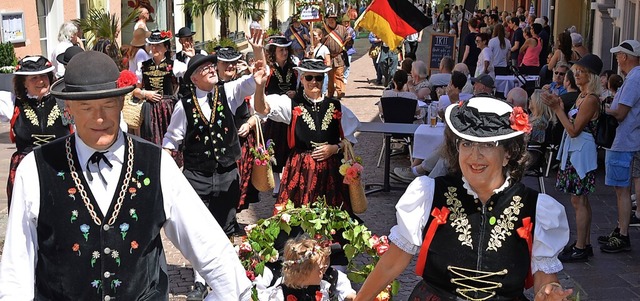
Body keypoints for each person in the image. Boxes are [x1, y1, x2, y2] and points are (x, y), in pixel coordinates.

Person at [0, 50, 252, 300]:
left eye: (108, 104)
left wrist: (238, 294)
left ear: (122, 102)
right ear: (69, 109)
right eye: (87, 107)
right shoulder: (35, 168)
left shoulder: (157, 164)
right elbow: (16, 268)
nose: (99, 118)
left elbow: (209, 246)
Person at [354, 96, 572, 301]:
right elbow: (392, 263)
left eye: (487, 145)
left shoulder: (536, 207)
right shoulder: (429, 193)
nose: (474, 156)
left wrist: (548, 290)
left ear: (508, 153)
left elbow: (544, 273)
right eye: (466, 143)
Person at [163, 32, 265, 299]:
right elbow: (171, 140)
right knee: (199, 230)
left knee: (226, 226)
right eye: (204, 67)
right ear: (193, 77)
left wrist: (258, 51)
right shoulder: (183, 105)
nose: (211, 68)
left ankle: (226, 277)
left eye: (212, 66)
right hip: (197, 175)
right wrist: (166, 172)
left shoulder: (228, 92)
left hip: (227, 173)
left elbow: (254, 82)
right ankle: (199, 280)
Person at [253, 59, 360, 211]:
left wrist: (335, 148)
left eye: (319, 78)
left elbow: (350, 135)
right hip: (301, 167)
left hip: (330, 169)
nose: (314, 82)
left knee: (332, 216)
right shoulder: (291, 103)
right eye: (309, 77)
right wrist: (259, 86)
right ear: (302, 79)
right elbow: (261, 108)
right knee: (298, 214)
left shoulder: (335, 105)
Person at [541, 54, 602, 262]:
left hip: (581, 152)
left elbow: (574, 129)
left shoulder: (591, 99)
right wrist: (558, 106)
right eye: (575, 71)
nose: (576, 75)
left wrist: (558, 109)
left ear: (590, 76)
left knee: (579, 200)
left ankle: (581, 245)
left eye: (580, 72)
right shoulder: (582, 96)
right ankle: (583, 243)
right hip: (575, 150)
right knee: (579, 199)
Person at [5, 56, 72, 210]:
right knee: (25, 212)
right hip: (25, 168)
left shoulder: (64, 101)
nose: (40, 81)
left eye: (43, 76)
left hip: (60, 165)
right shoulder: (13, 103)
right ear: (23, 83)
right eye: (33, 78)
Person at [599, 40, 640, 253]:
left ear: (625, 56)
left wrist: (603, 109)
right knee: (620, 189)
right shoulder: (633, 78)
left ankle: (623, 234)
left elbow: (622, 113)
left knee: (621, 189)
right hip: (628, 139)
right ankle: (620, 229)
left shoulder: (634, 79)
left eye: (618, 55)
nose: (616, 59)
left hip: (624, 141)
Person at [258, 237, 356, 301]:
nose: (324, 271)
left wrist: (351, 296)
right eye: (320, 270)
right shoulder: (281, 293)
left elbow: (346, 291)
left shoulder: (328, 280)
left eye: (325, 267)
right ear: (304, 272)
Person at [264, 35, 298, 197]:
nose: (284, 53)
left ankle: (290, 178)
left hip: (290, 113)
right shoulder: (269, 70)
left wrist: (295, 94)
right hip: (274, 114)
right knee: (274, 147)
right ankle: (277, 185)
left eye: (286, 50)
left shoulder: (295, 68)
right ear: (274, 52)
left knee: (290, 146)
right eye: (280, 50)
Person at [131, 30, 177, 145]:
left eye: (158, 45)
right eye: (152, 45)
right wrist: (146, 94)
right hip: (150, 109)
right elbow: (135, 91)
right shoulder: (144, 66)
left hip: (167, 109)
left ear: (166, 48)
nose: (154, 48)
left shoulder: (174, 65)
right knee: (151, 140)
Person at [321, 10, 351, 100]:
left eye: (332, 19)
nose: (331, 21)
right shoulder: (324, 30)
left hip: (339, 56)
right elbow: (320, 42)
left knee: (339, 74)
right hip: (328, 57)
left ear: (335, 19)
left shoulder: (342, 29)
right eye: (329, 19)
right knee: (330, 76)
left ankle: (340, 92)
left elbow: (349, 42)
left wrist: (349, 39)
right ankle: (330, 93)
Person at [173, 27, 207, 99]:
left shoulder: (201, 53)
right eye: (186, 40)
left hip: (199, 90)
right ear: (180, 41)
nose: (189, 42)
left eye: (190, 39)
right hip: (183, 93)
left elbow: (205, 69)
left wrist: (193, 57)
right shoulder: (176, 57)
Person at [308, 29, 331, 94]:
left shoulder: (324, 48)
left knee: (321, 93)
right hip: (311, 75)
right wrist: (310, 54)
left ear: (320, 37)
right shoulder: (308, 48)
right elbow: (306, 60)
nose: (312, 37)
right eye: (311, 36)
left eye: (314, 35)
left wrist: (320, 66)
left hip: (321, 75)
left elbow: (328, 62)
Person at [341, 15, 357, 85]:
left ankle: (345, 77)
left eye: (347, 22)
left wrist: (350, 39)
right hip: (341, 50)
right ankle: (340, 76)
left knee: (347, 64)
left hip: (349, 50)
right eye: (345, 22)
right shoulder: (340, 29)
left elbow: (353, 39)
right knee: (341, 65)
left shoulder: (351, 30)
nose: (346, 23)